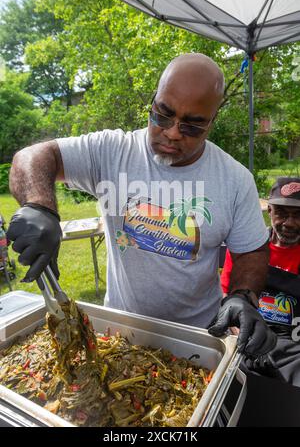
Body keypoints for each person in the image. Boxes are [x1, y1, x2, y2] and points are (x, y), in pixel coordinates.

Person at [7, 53, 276, 358]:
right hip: (121, 335)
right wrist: (40, 207)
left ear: (212, 122)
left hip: (199, 339)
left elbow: (251, 250)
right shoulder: (113, 151)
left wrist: (242, 295)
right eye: (163, 115)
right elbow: (31, 157)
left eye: (192, 126)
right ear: (152, 102)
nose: (173, 132)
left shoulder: (234, 179)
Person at [221, 177, 300, 385]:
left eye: (298, 215)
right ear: (270, 211)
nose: (290, 223)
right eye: (282, 213)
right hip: (247, 344)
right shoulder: (248, 249)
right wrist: (235, 327)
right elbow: (224, 294)